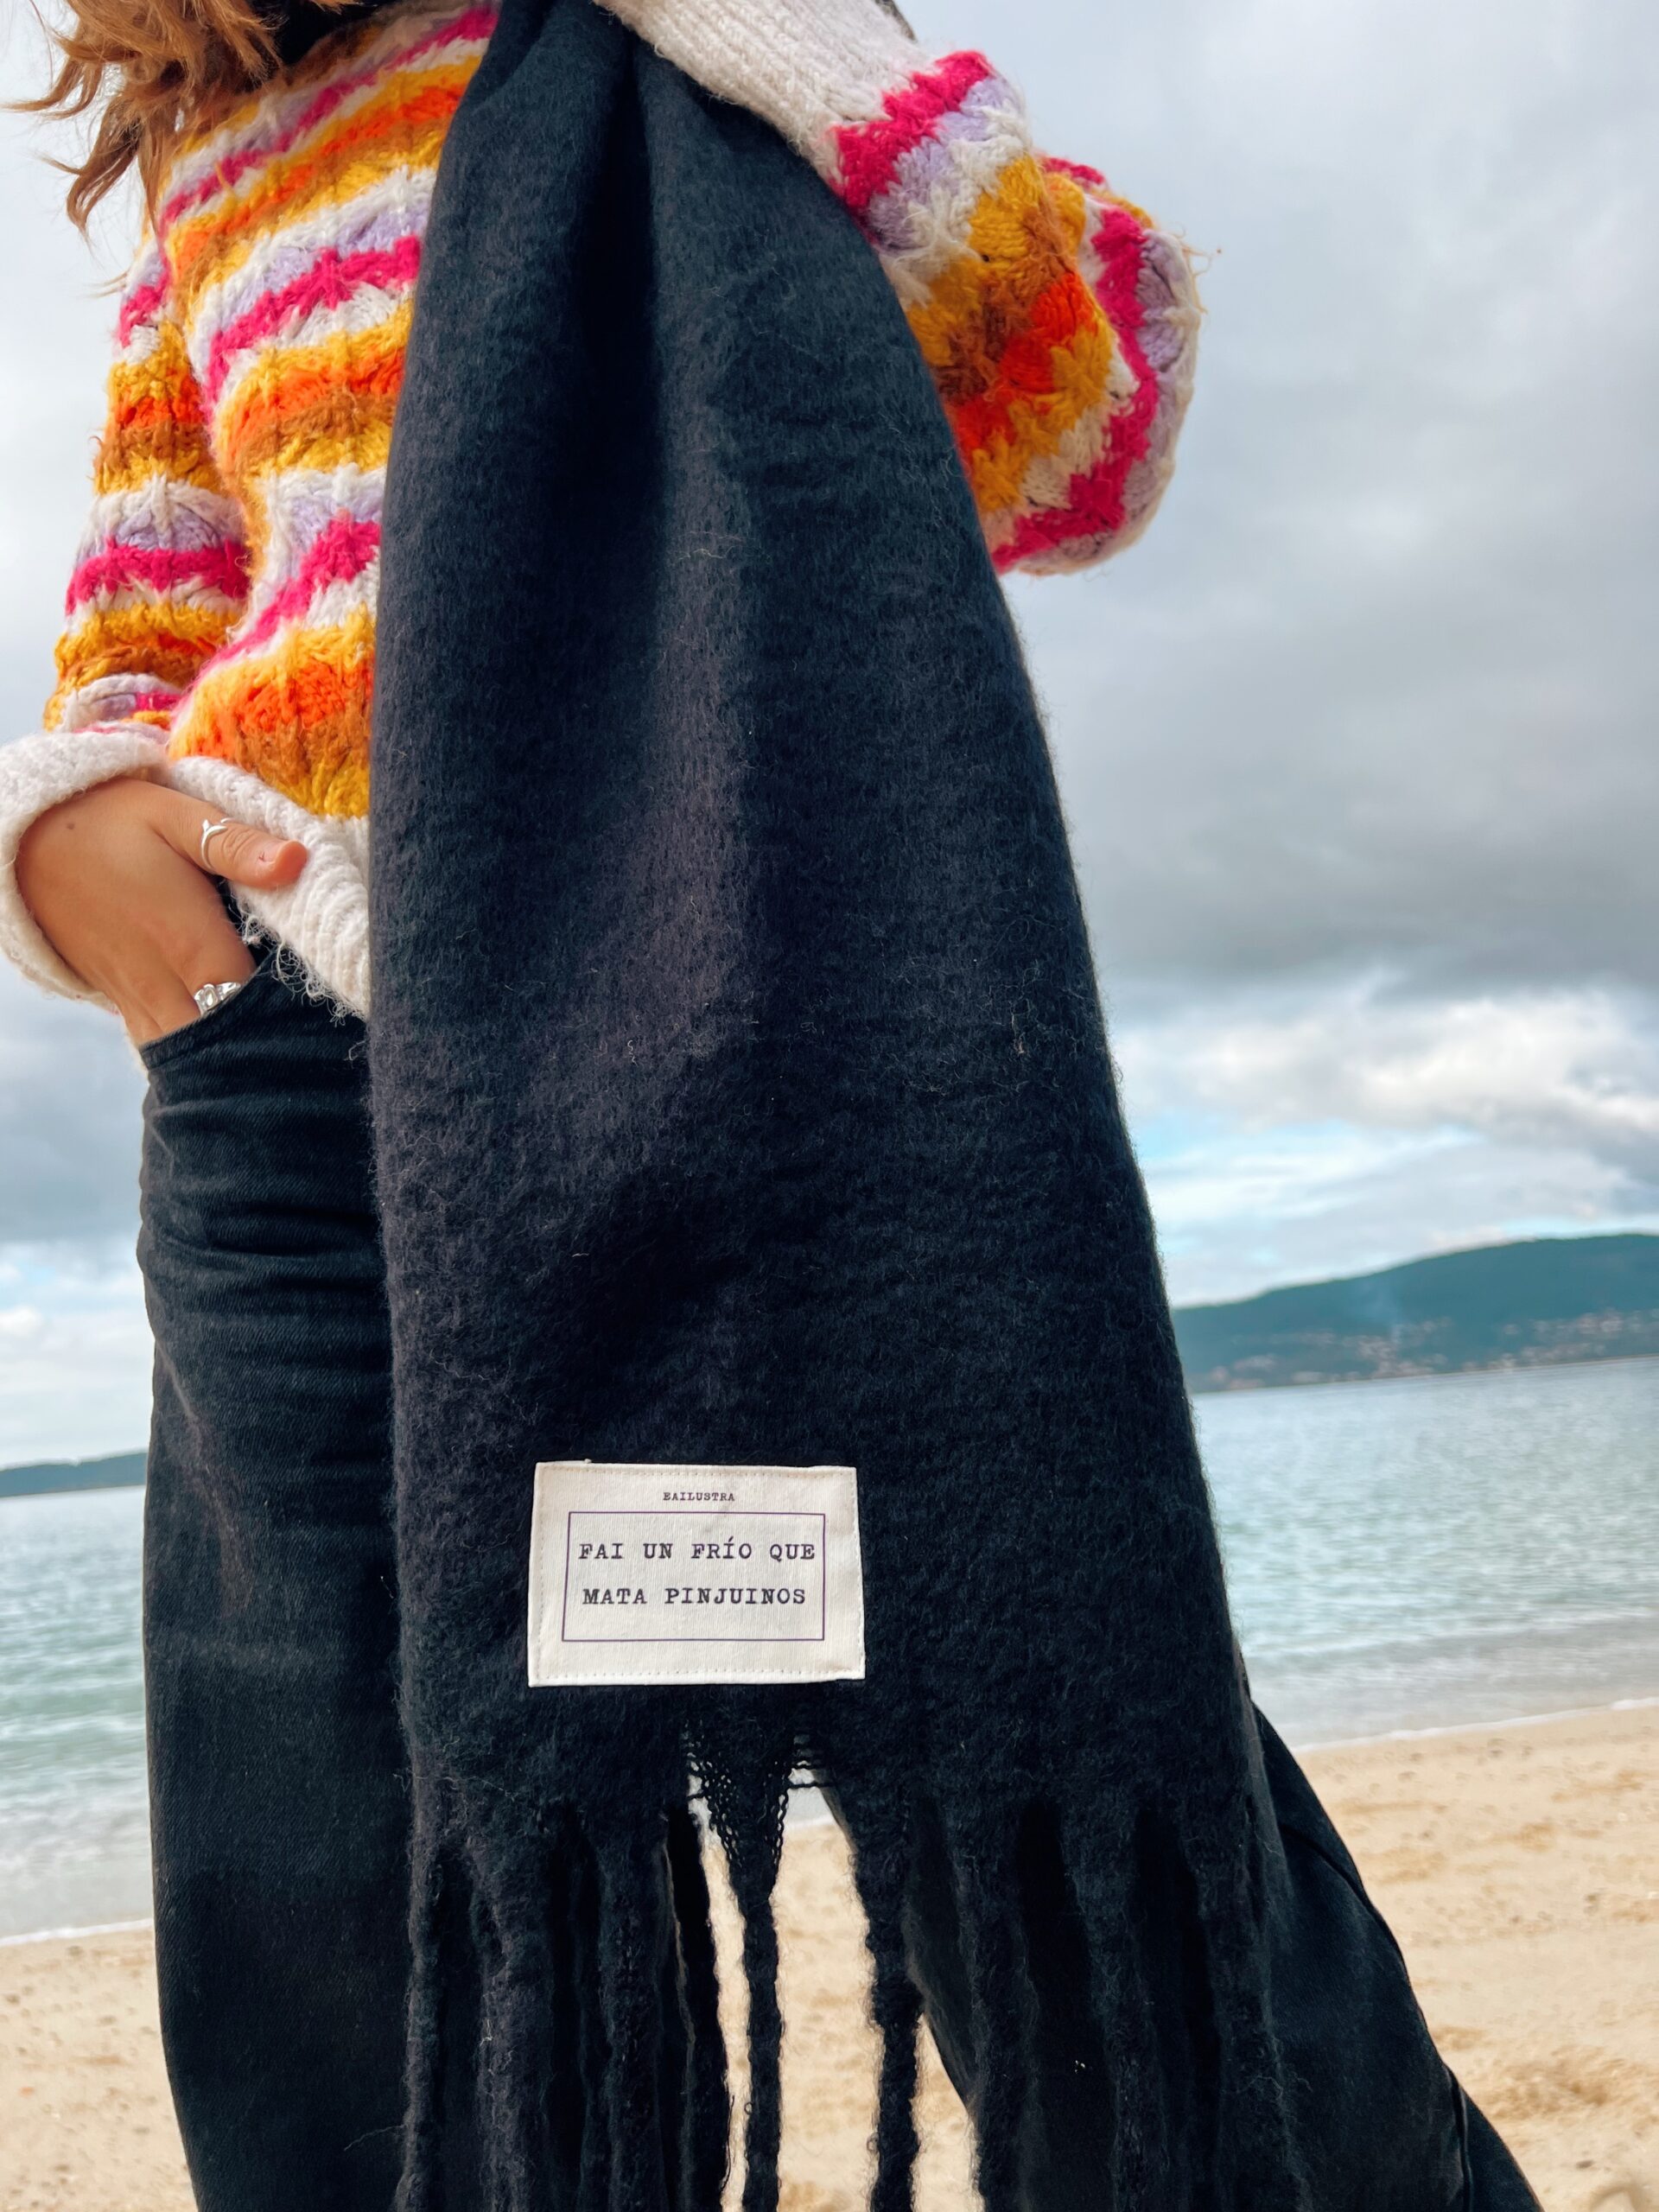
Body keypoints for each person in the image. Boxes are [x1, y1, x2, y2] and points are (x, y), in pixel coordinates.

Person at [3, 3, 1542, 2207]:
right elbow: (134, 645)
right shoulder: (216, 149)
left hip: (799, 1027)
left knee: (1076, 1813)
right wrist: (69, 851)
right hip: (311, 1077)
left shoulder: (716, 28)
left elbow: (1089, 422)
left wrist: (762, 33)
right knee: (344, 1915)